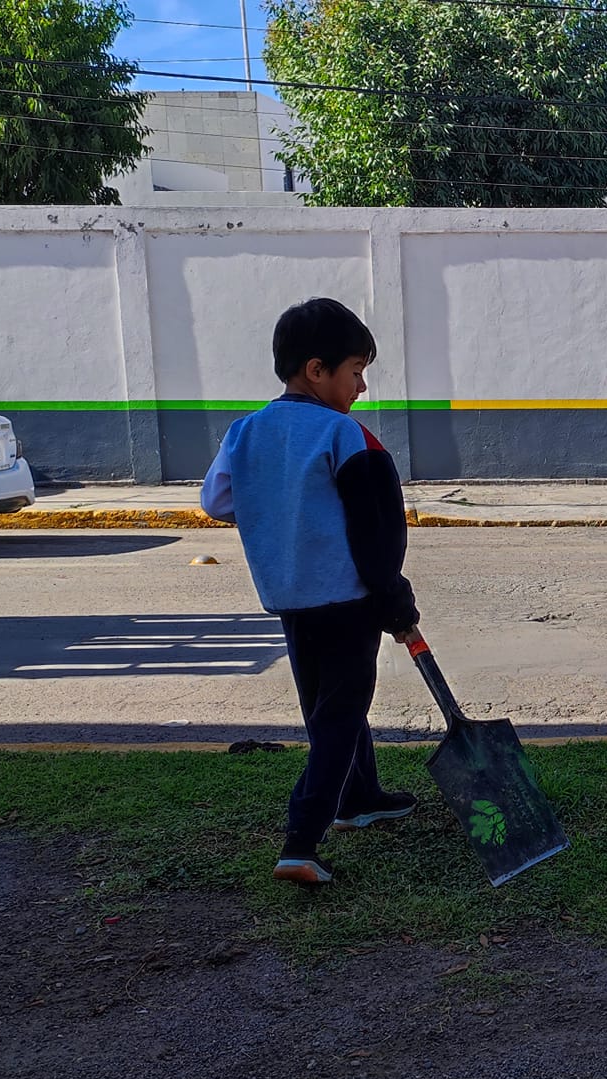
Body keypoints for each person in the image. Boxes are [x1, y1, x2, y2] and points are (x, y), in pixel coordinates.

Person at [200, 298, 422, 886]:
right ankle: (300, 841)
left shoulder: (243, 432)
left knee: (331, 707)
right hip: (347, 602)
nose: (363, 385)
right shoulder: (343, 434)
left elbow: (217, 501)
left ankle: (361, 797)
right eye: (356, 370)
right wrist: (394, 598)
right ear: (317, 369)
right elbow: (377, 530)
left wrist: (277, 499)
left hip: (290, 601)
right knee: (339, 717)